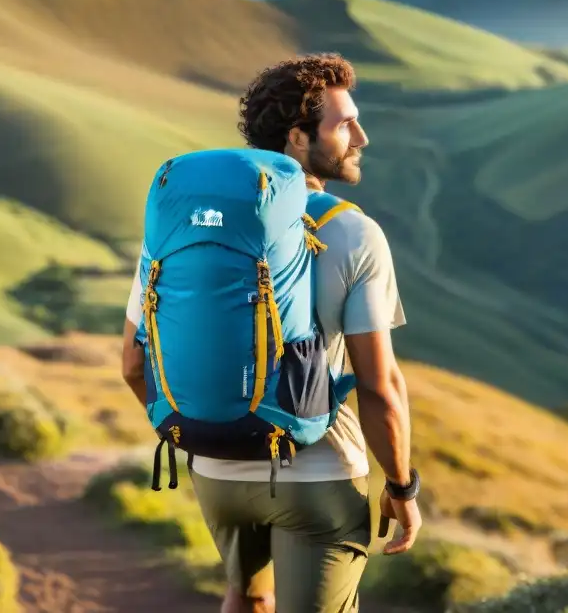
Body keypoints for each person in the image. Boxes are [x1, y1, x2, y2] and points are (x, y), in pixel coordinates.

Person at [120, 53, 421, 613]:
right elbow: (381, 387)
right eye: (343, 124)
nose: (361, 136)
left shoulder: (177, 224)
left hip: (215, 472)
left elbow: (133, 365)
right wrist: (402, 487)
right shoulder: (353, 232)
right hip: (318, 475)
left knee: (246, 599)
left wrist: (209, 430)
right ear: (297, 138)